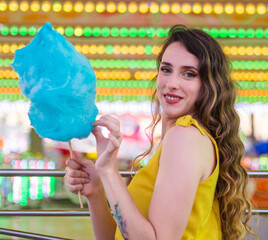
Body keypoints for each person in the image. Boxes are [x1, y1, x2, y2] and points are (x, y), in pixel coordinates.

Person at [64, 25, 255, 240]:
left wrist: (109, 170)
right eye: (166, 69)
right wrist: (97, 191)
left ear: (209, 85)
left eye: (189, 74)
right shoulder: (186, 138)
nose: (171, 83)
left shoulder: (185, 137)